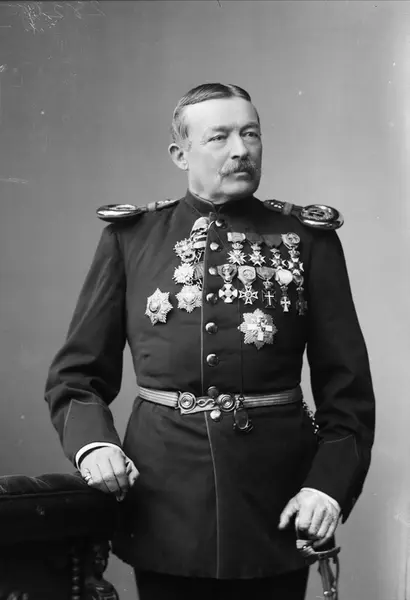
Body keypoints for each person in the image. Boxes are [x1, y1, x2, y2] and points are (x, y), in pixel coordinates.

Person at [45, 83, 375, 600]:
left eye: (250, 134)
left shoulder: (307, 239)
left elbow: (348, 388)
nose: (240, 149)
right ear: (181, 154)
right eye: (219, 137)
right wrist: (94, 445)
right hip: (164, 498)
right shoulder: (132, 238)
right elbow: (75, 376)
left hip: (278, 498)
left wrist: (328, 486)